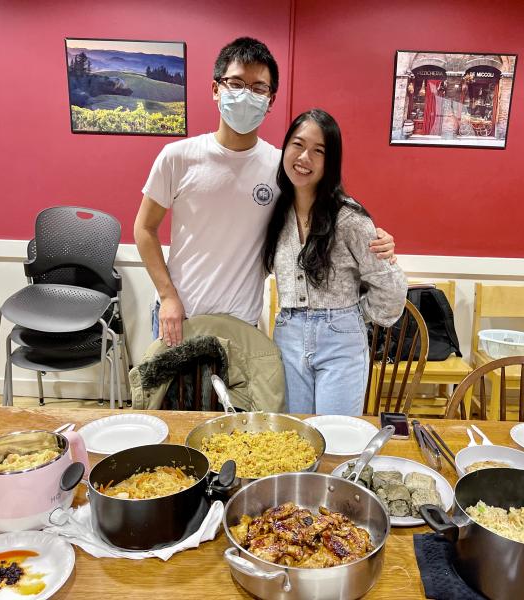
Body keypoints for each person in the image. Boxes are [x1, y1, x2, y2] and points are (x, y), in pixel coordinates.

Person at [134, 37, 395, 348]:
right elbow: (144, 228)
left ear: (271, 100)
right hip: (180, 316)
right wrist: (167, 296)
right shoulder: (177, 157)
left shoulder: (281, 168)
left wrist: (376, 239)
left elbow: (325, 211)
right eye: (236, 83)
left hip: (240, 324)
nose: (247, 94)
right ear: (216, 89)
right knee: (169, 399)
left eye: (258, 88)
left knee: (237, 400)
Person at [263, 109, 407, 416]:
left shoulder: (350, 218)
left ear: (331, 162)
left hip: (341, 343)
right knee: (296, 438)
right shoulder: (275, 213)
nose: (304, 158)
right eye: (298, 145)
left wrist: (350, 317)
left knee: (336, 440)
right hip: (287, 337)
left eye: (318, 151)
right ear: (285, 148)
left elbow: (391, 294)